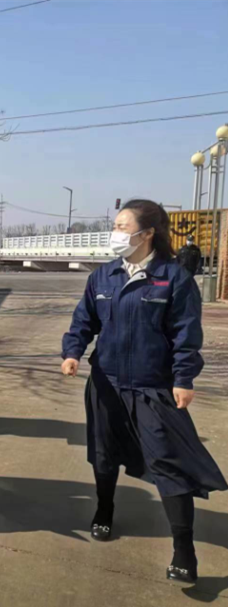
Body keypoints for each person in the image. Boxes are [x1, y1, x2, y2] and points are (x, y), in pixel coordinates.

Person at [61, 199, 226, 583]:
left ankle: (183, 549)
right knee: (104, 454)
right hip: (106, 383)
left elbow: (186, 335)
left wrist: (183, 378)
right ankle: (104, 510)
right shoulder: (103, 277)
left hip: (152, 386)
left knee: (169, 462)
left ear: (147, 233)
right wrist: (72, 352)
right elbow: (83, 320)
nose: (115, 233)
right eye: (115, 226)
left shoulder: (173, 279)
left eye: (123, 226)